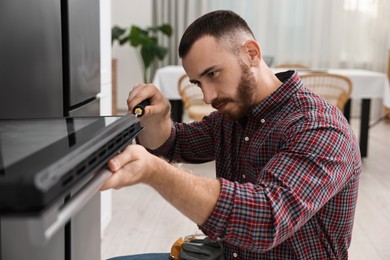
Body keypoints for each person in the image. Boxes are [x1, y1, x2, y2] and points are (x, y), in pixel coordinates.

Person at [101, 10, 361, 259]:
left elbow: (267, 219)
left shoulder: (318, 127)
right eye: (198, 83)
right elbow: (174, 142)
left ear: (251, 53)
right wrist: (158, 118)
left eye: (212, 74)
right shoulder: (232, 117)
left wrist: (154, 172)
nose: (208, 96)